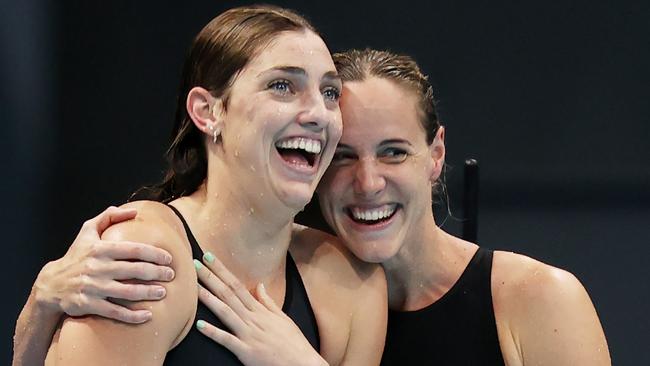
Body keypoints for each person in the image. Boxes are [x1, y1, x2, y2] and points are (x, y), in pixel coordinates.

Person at [12, 6, 387, 366]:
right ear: (208, 112)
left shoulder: (350, 283)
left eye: (330, 93)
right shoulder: (142, 259)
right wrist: (38, 308)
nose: (319, 114)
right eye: (282, 86)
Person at [315, 48, 611, 365]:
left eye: (394, 152)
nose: (368, 182)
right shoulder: (293, 312)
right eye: (341, 156)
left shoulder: (541, 301)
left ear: (436, 154)